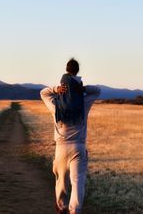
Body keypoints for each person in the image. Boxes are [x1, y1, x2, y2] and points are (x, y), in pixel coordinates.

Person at [40, 59, 101, 214]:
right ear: (77, 72)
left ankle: (61, 206)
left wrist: (57, 89)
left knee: (61, 180)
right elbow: (97, 91)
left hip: (61, 148)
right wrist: (83, 89)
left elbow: (43, 93)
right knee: (77, 182)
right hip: (78, 147)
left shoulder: (56, 106)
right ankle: (75, 210)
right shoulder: (83, 102)